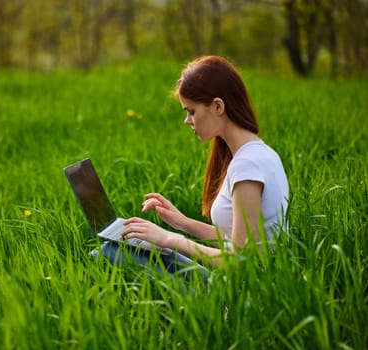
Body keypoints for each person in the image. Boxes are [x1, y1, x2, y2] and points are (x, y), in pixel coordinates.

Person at [95, 55, 289, 273]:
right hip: (242, 285)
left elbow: (239, 260)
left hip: (238, 296)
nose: (187, 120)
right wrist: (182, 223)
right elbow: (237, 241)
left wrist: (170, 238)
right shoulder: (258, 153)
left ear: (218, 106)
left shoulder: (247, 166)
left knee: (107, 253)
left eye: (191, 111)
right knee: (123, 249)